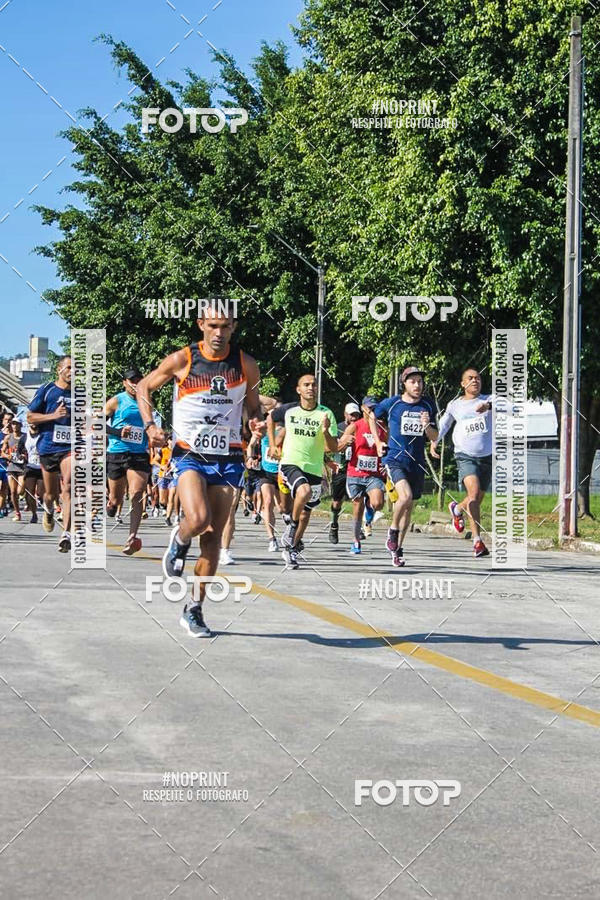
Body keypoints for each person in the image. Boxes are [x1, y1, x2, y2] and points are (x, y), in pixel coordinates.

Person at [136, 309, 262, 637]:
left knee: (212, 541)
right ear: (201, 325)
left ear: (234, 327)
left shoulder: (246, 364)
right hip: (190, 453)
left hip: (229, 457)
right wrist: (150, 426)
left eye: (225, 326)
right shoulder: (182, 360)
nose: (219, 333)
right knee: (197, 518)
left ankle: (193, 609)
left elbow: (253, 406)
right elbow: (143, 388)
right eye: (213, 326)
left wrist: (255, 421)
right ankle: (178, 540)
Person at [370, 366, 438, 567]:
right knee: (404, 496)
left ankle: (397, 549)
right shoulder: (393, 403)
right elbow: (372, 416)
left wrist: (427, 426)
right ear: (404, 383)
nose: (417, 385)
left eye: (420, 381)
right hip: (395, 458)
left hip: (416, 461)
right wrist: (377, 440)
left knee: (409, 508)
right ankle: (392, 531)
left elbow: (435, 437)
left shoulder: (428, 405)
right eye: (413, 381)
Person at [270, 374, 338, 569]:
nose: (311, 388)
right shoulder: (289, 410)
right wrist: (274, 444)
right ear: (298, 389)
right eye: (306, 385)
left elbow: (333, 446)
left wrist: (325, 432)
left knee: (306, 513)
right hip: (290, 463)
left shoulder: (325, 414)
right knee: (304, 492)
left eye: (314, 385)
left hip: (314, 468)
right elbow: (270, 419)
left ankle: (290, 549)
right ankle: (291, 525)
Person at [431, 368, 493, 558]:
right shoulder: (455, 405)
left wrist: (489, 407)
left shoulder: (490, 399)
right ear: (462, 384)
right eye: (470, 378)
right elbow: (444, 424)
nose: (475, 381)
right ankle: (477, 542)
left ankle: (457, 508)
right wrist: (434, 442)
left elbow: (513, 408)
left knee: (476, 500)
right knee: (473, 495)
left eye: (478, 378)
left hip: (487, 456)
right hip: (464, 455)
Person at [27, 356, 73, 552]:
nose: (73, 371)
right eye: (69, 367)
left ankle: (66, 534)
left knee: (69, 486)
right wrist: (53, 416)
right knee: (50, 494)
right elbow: (30, 416)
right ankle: (48, 509)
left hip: (70, 447)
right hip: (48, 446)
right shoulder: (47, 390)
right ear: (59, 370)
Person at [105, 368, 152, 555]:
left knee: (137, 492)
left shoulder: (146, 400)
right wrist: (118, 432)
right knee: (116, 498)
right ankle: (111, 504)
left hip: (138, 453)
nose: (135, 383)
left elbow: (150, 423)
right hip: (117, 452)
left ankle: (132, 536)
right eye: (132, 380)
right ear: (124, 382)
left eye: (139, 380)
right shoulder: (116, 401)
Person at [337, 397, 386, 554]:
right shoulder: (355, 426)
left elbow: (388, 447)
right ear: (362, 408)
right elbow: (339, 446)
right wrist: (346, 443)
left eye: (374, 408)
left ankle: (370, 514)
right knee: (357, 507)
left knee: (378, 503)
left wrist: (386, 463)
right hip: (356, 471)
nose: (371, 411)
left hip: (374, 473)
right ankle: (355, 540)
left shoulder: (382, 427)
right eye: (368, 408)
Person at [329, 402, 362, 544]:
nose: (354, 418)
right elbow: (330, 448)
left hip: (357, 468)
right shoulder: (338, 428)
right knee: (337, 501)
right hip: (341, 468)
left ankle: (358, 528)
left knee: (359, 499)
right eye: (351, 415)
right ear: (345, 415)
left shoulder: (363, 427)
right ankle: (334, 524)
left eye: (357, 415)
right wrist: (344, 442)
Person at [1, 419, 27, 521]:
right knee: (12, 492)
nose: (14, 426)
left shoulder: (25, 437)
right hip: (12, 466)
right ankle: (17, 513)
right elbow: (2, 451)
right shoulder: (8, 437)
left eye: (16, 424)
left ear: (21, 425)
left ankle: (24, 494)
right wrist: (7, 456)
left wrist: (25, 456)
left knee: (20, 491)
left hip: (22, 467)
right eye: (13, 424)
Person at [23, 423, 44, 523]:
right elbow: (18, 450)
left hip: (42, 468)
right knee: (29, 493)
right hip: (30, 467)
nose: (34, 424)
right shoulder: (25, 437)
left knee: (40, 492)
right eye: (31, 422)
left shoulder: (43, 435)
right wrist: (21, 456)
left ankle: (42, 501)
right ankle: (34, 514)